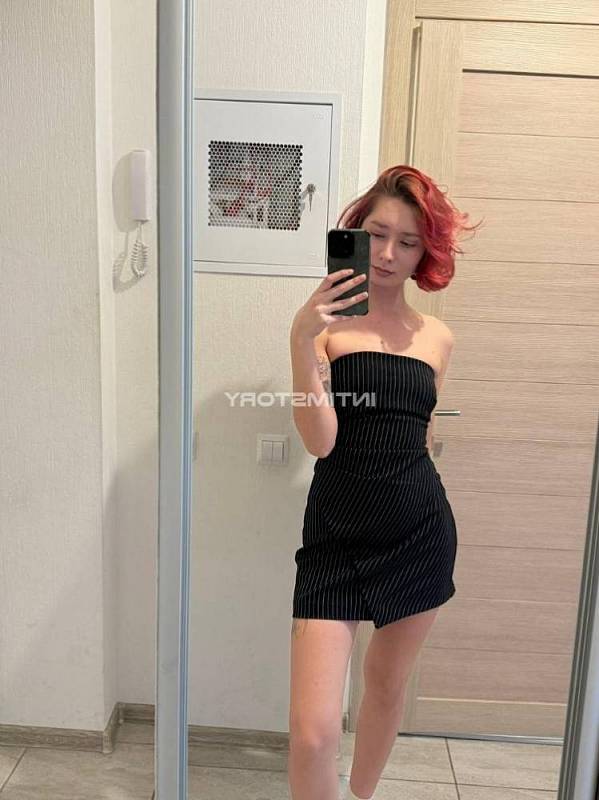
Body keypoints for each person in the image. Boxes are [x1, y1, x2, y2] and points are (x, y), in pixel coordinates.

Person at [287, 165, 481, 800]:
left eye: (409, 242)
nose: (388, 254)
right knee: (312, 733)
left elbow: (419, 435)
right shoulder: (326, 329)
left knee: (387, 685)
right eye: (376, 234)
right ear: (355, 232)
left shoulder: (438, 337)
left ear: (427, 253)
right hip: (335, 537)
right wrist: (300, 341)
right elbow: (320, 442)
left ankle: (360, 795)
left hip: (419, 533)